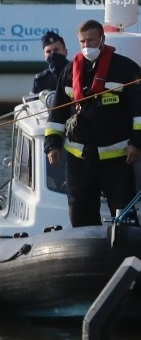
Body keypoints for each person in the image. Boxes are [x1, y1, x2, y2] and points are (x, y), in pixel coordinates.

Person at [44, 19, 141, 227]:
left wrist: (137, 142)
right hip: (79, 159)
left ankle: (127, 252)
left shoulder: (126, 69)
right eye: (82, 41)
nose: (87, 46)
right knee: (80, 212)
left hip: (117, 158)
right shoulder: (69, 72)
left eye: (91, 40)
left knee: (124, 212)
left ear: (102, 39)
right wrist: (52, 145)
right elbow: (57, 113)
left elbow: (138, 112)